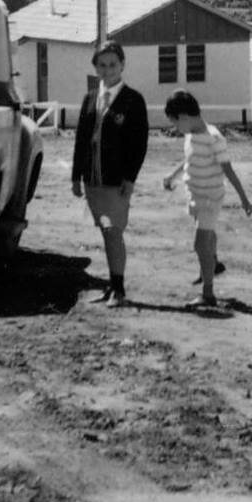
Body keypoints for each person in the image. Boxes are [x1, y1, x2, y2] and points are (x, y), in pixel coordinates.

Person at [72, 42, 149, 307]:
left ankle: (119, 290)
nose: (108, 70)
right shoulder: (90, 98)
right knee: (106, 232)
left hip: (117, 180)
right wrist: (75, 176)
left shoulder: (133, 100)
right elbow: (81, 139)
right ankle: (111, 285)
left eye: (113, 64)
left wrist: (130, 179)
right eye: (102, 65)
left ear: (123, 65)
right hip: (93, 178)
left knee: (113, 231)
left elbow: (139, 145)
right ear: (95, 67)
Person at [160, 91, 252, 309]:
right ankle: (213, 265)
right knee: (207, 238)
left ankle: (208, 293)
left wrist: (244, 199)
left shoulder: (214, 138)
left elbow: (228, 169)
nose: (176, 128)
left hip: (211, 197)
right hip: (195, 194)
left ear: (183, 117)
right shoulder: (190, 135)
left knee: (200, 243)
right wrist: (171, 175)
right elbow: (188, 159)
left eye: (175, 123)